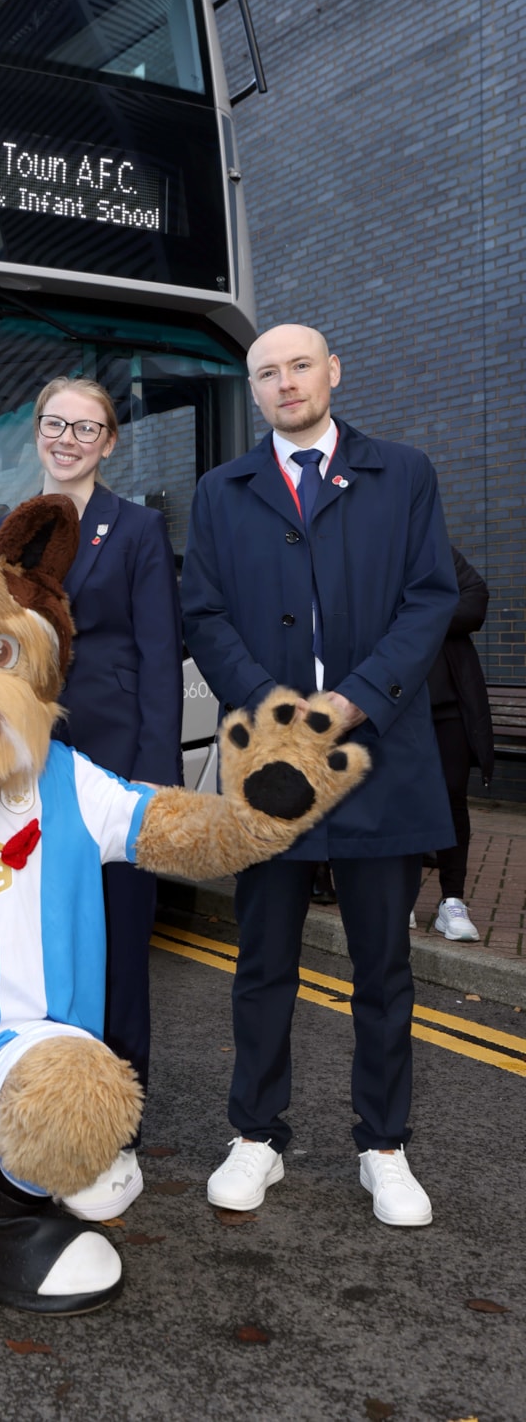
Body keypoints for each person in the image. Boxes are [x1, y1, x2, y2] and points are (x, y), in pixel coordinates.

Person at [181, 322, 457, 1228]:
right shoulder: (222, 492)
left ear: (333, 371)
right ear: (252, 390)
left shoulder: (403, 474)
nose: (286, 382)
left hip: (378, 755)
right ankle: (256, 1136)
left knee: (384, 968)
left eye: (300, 366)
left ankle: (385, 1147)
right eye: (267, 372)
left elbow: (431, 598)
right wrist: (269, 704)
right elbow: (206, 612)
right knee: (263, 962)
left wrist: (356, 700)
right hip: (273, 768)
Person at [0, 376, 183, 1221]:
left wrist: (153, 781)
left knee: (118, 942)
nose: (69, 438)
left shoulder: (135, 529)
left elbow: (158, 655)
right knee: (34, 942)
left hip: (111, 765)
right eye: (56, 423)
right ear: (38, 433)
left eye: (87, 428)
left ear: (110, 443)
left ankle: (116, 1116)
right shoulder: (8, 530)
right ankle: (37, 1103)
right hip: (25, 769)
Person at [427, 545, 494, 941]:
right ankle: (399, 901)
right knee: (401, 799)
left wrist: (419, 618)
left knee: (453, 798)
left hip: (450, 704)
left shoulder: (439, 554)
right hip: (395, 706)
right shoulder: (369, 555)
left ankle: (452, 901)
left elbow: (475, 602)